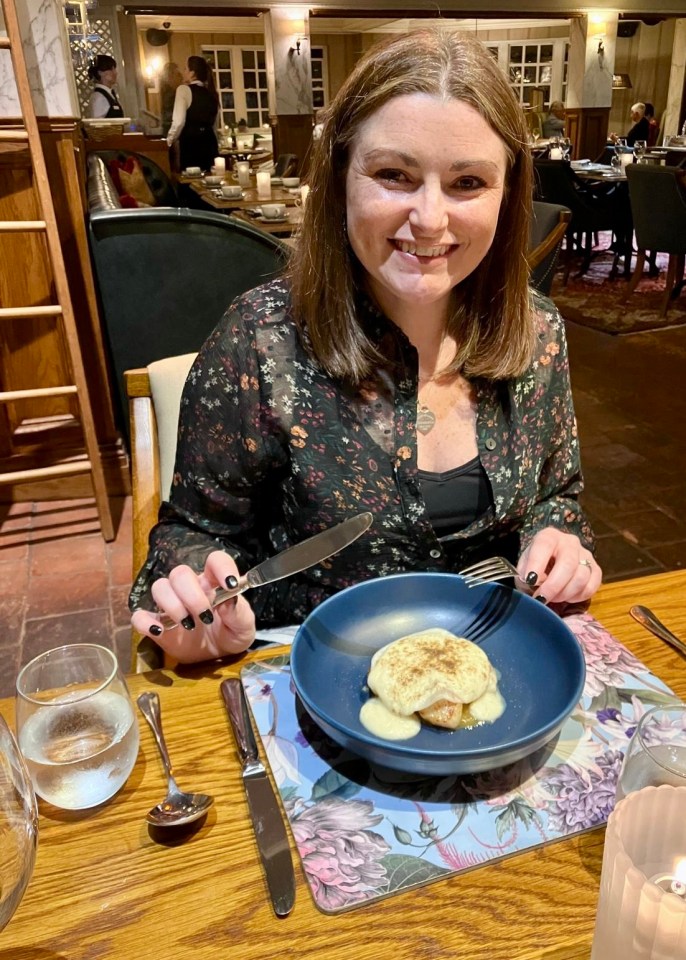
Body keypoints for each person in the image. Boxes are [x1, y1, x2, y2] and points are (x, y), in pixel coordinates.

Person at [131, 29, 602, 663]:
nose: (431, 218)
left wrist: (561, 541)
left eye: (467, 183)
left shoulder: (539, 332)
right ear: (341, 177)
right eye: (393, 175)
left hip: (498, 672)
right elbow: (188, 534)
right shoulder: (259, 340)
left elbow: (558, 495)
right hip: (314, 676)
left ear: (508, 194)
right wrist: (195, 604)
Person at [166, 55, 219, 172]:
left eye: (185, 69)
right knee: (210, 182)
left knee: (191, 183)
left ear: (192, 73)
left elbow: (179, 122)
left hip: (192, 143)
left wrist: (169, 141)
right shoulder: (212, 93)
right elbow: (215, 124)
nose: (183, 72)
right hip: (210, 142)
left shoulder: (183, 90)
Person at [86, 55, 124, 119]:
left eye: (114, 69)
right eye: (111, 69)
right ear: (100, 72)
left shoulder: (110, 94)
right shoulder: (99, 97)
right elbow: (98, 125)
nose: (115, 72)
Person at [159, 62, 183, 138]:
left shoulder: (168, 92)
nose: (181, 77)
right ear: (171, 77)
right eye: (178, 74)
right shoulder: (171, 94)